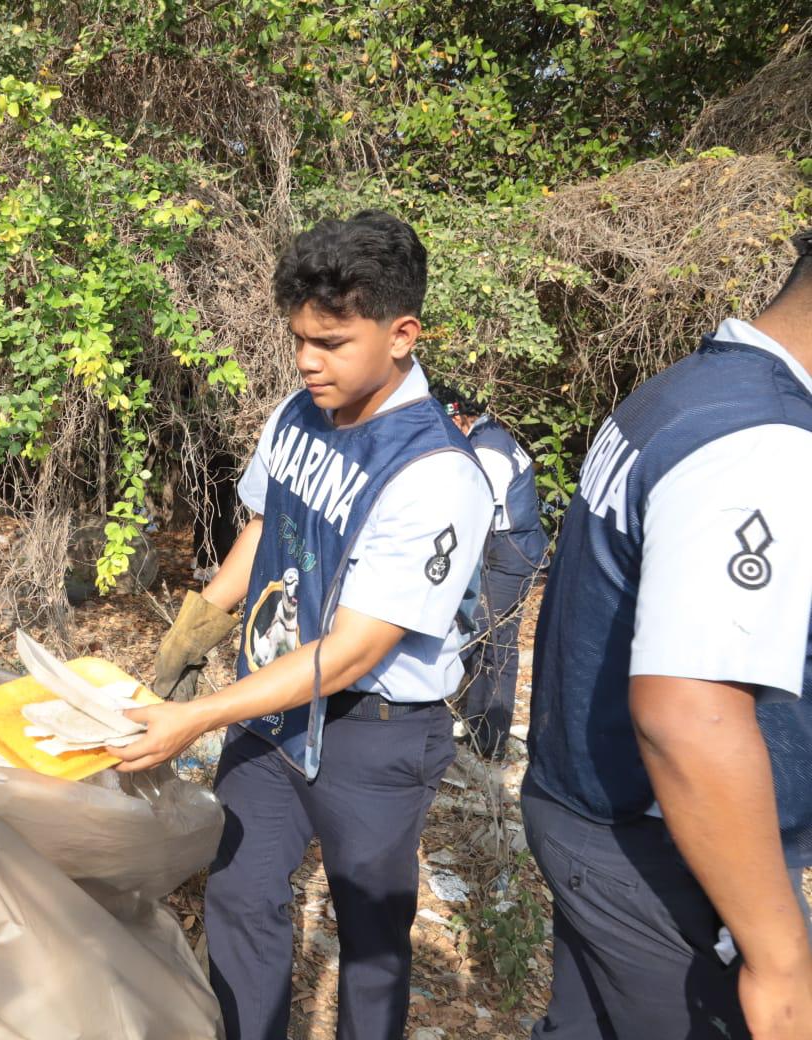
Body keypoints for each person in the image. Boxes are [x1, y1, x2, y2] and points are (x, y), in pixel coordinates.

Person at [119, 211, 492, 1040]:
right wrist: (190, 636)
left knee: (369, 938)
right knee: (241, 896)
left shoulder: (435, 473)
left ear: (402, 335)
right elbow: (268, 528)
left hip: (373, 736)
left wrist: (200, 716)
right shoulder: (299, 413)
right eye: (299, 338)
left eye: (331, 342)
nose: (306, 361)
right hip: (272, 710)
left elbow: (358, 649)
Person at [523, 229, 812, 1039]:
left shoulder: (686, 393)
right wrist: (781, 958)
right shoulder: (761, 445)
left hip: (591, 817)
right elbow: (689, 713)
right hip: (664, 857)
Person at [433, 384, 548, 760]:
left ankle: (488, 740)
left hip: (511, 554)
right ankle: (471, 725)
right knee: (481, 638)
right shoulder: (487, 436)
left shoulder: (487, 450)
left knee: (491, 641)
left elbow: (475, 515)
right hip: (505, 549)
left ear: (461, 417)